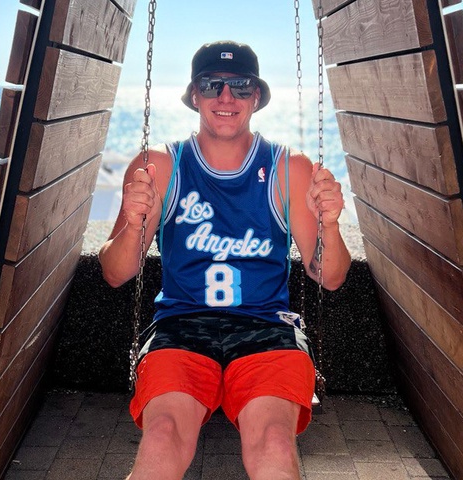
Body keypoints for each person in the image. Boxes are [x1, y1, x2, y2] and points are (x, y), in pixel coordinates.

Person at [99, 40, 351, 480]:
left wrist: (330, 224)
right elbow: (115, 272)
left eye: (240, 85)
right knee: (162, 435)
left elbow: (329, 277)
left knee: (274, 441)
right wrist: (134, 220)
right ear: (195, 95)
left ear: (257, 96)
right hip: (181, 326)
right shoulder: (159, 166)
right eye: (212, 84)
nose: (226, 97)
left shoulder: (288, 168)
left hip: (266, 327)